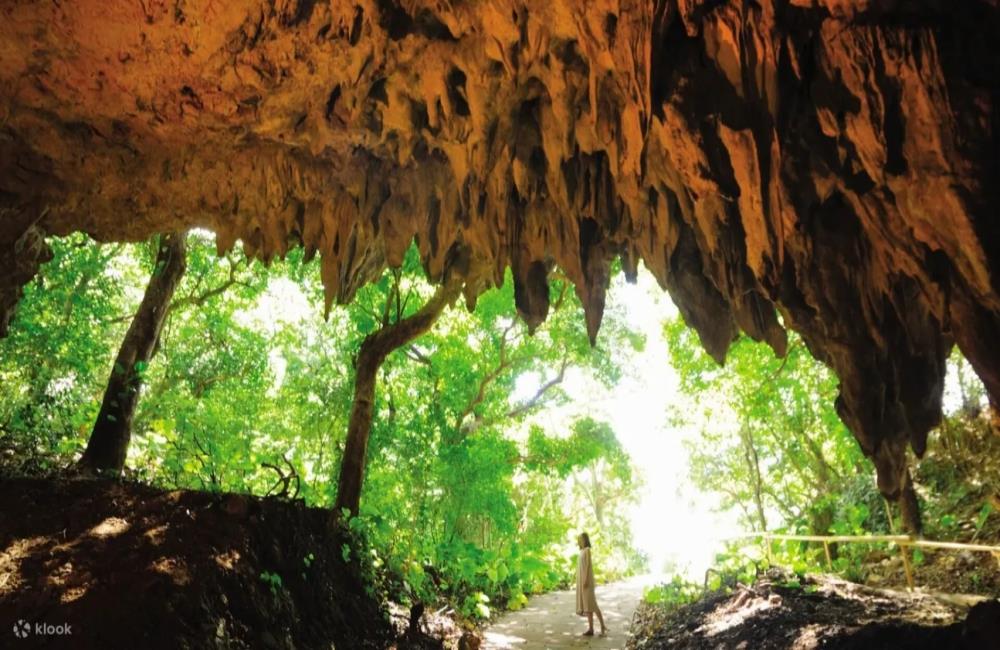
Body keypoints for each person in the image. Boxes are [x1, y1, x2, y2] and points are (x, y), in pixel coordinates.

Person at [575, 532, 606, 636]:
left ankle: (602, 626)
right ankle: (591, 629)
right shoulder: (581, 551)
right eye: (579, 540)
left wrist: (586, 579)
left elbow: (588, 565)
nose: (580, 541)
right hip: (582, 581)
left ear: (586, 540)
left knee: (592, 604)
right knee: (588, 607)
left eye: (582, 539)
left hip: (587, 581)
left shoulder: (587, 550)